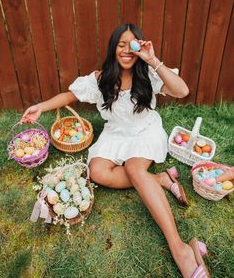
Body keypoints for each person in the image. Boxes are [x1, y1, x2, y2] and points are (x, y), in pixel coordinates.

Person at [21, 23, 210, 278]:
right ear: (114, 48)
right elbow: (69, 96)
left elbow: (182, 90)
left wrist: (152, 59)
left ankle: (180, 248)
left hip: (144, 131)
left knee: (133, 168)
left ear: (139, 48)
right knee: (97, 172)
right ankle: (159, 179)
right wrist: (40, 107)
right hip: (115, 134)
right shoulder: (101, 78)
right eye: (121, 44)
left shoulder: (147, 74)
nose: (126, 50)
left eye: (132, 45)